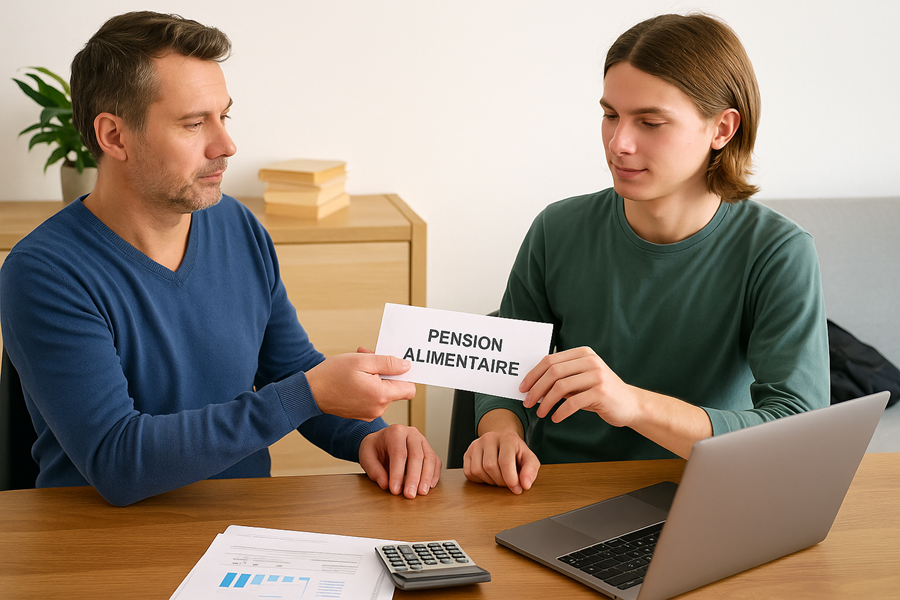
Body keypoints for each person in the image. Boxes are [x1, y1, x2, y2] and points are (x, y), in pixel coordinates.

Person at [0, 11, 440, 506]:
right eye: (193, 124)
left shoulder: (237, 225)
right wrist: (308, 392)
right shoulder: (45, 272)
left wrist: (367, 436)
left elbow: (290, 367)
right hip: (105, 546)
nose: (226, 145)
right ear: (114, 136)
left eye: (223, 116)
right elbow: (117, 460)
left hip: (240, 533)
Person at [463, 13, 829, 494]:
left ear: (722, 129)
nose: (619, 143)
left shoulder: (779, 252)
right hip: (554, 493)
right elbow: (505, 369)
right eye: (610, 115)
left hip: (705, 494)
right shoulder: (557, 228)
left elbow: (797, 432)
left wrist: (632, 404)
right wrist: (500, 433)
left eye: (650, 122)